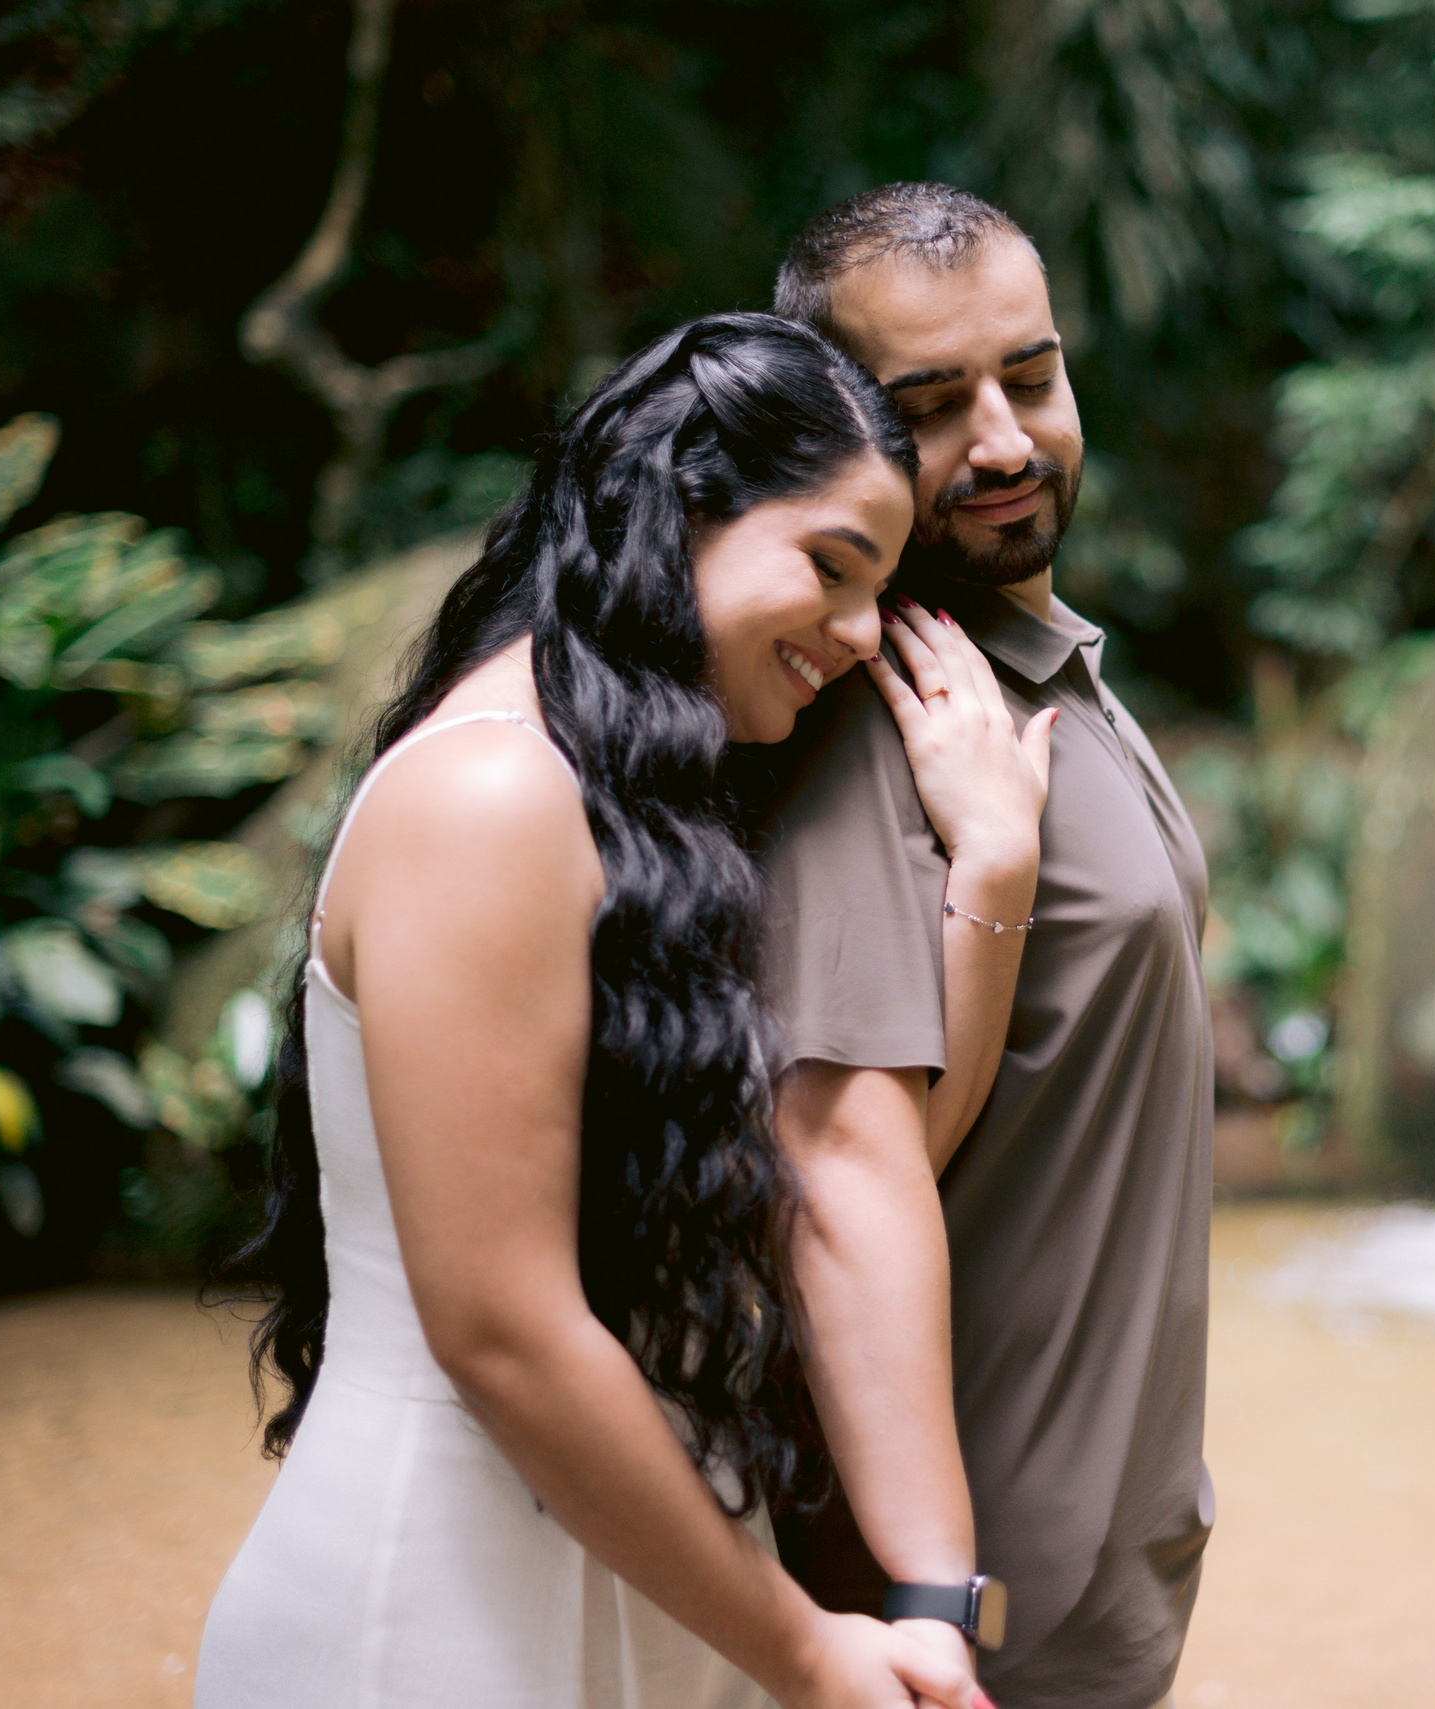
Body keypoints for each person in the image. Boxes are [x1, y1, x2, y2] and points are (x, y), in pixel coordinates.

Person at [195, 312, 1054, 1709]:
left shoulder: (635, 814)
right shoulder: (489, 798)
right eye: (831, 567)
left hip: (645, 1578)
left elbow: (840, 1176)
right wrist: (805, 1647)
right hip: (437, 1612)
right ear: (677, 504)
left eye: (880, 590)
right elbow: (503, 1328)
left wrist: (992, 875)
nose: (854, 634)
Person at [759, 184, 1215, 1709]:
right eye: (934, 404)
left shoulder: (1026, 660)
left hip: (1092, 1558)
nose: (1008, 439)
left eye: (1031, 374)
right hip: (965, 1608)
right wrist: (927, 1598)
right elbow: (832, 1172)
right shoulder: (863, 719)